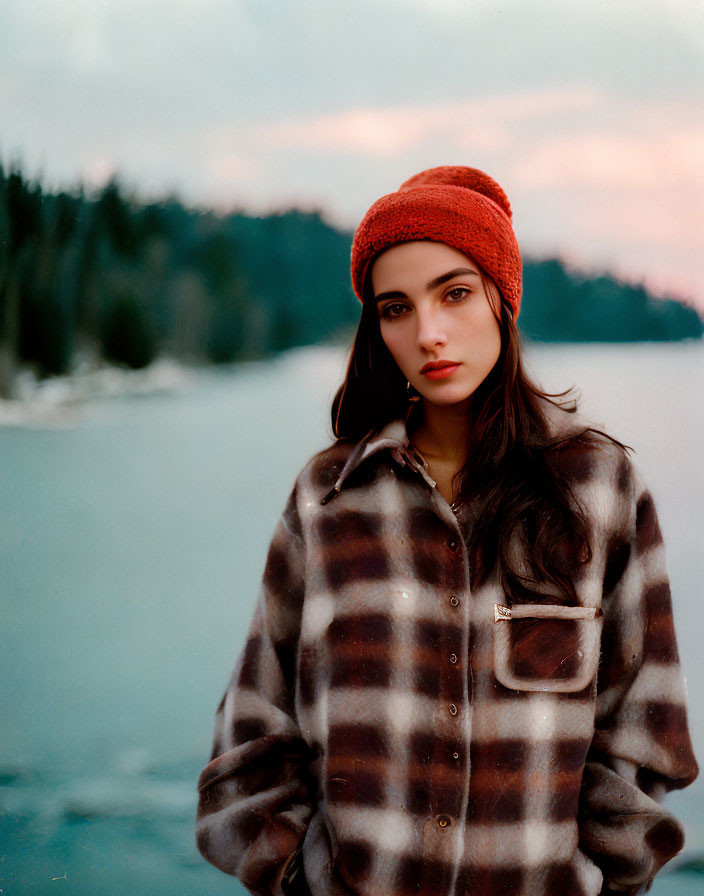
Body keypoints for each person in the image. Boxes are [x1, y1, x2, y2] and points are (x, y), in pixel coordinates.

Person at [195, 166, 698, 896]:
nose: (428, 333)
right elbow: (251, 739)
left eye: (454, 293)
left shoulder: (600, 490)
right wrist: (297, 881)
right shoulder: (328, 498)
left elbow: (646, 742)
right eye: (396, 308)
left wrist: (594, 880)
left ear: (502, 299)